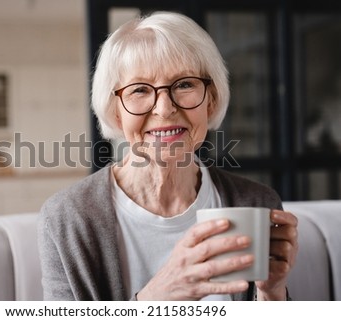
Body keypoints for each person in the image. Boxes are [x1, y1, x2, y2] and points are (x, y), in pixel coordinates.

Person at [38, 11, 298, 301]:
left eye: (184, 84)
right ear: (116, 111)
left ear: (210, 100)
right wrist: (155, 299)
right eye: (139, 90)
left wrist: (272, 292)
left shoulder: (257, 203)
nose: (164, 109)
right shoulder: (67, 218)